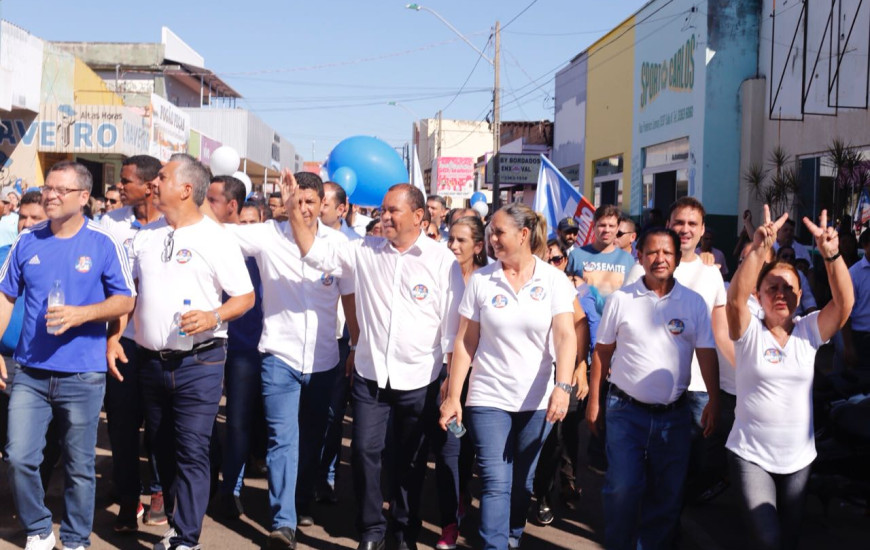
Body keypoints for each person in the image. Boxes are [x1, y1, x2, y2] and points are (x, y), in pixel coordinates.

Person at [281, 172, 462, 550]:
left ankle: (403, 532)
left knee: (411, 463)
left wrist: (449, 381)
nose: (386, 217)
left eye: (394, 211)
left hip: (420, 379)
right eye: (383, 211)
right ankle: (371, 531)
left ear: (418, 217)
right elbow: (312, 251)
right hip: (370, 377)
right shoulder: (364, 251)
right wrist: (294, 206)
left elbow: (452, 327)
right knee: (364, 453)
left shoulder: (443, 261)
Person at [113, 154, 254, 550]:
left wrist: (213, 315)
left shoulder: (216, 238)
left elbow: (244, 297)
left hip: (200, 361)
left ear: (187, 189)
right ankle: (179, 521)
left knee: (191, 446)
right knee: (161, 448)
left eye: (162, 176)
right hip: (149, 363)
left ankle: (186, 537)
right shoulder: (146, 236)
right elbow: (130, 296)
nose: (154, 182)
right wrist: (114, 338)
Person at [1, 161, 136, 550]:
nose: (51, 195)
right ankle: (40, 529)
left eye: (61, 190)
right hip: (30, 371)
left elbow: (125, 299)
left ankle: (76, 539)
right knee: (20, 457)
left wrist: (83, 314)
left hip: (82, 374)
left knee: (79, 467)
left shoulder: (102, 242)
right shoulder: (27, 241)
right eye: (48, 188)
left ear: (82, 197)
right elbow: (6, 296)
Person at [216, 172, 353, 549]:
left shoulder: (336, 244)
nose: (305, 209)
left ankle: (301, 499)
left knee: (312, 438)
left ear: (323, 204)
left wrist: (354, 347)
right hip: (278, 356)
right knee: (282, 440)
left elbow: (350, 298)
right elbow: (217, 234)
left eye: (312, 202)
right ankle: (283, 522)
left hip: (324, 359)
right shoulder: (266, 235)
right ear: (288, 199)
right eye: (299, 201)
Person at [438, 203, 577, 550]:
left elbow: (565, 334)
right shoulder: (483, 280)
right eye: (490, 233)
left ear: (524, 235)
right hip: (488, 397)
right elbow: (466, 340)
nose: (492, 239)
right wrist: (454, 396)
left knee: (521, 483)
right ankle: (495, 545)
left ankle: (512, 534)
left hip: (538, 401)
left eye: (499, 232)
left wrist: (563, 385)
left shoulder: (553, 279)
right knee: (495, 481)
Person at [725, 207, 853, 550]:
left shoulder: (809, 330)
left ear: (800, 296)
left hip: (799, 460)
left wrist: (832, 255)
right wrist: (758, 247)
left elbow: (843, 304)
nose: (781, 293)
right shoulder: (748, 331)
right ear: (759, 294)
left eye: (790, 288)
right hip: (750, 456)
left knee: (789, 540)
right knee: (768, 540)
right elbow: (735, 299)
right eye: (772, 287)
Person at [587, 227, 718, 550]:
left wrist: (715, 399)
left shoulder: (694, 303)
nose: (660, 259)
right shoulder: (621, 300)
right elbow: (602, 353)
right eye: (653, 253)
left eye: (667, 253)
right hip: (625, 412)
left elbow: (706, 353)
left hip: (674, 417)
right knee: (623, 488)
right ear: (640, 256)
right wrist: (594, 402)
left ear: (676, 258)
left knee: (667, 494)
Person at [624, 198, 730, 502]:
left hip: (696, 388)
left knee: (687, 464)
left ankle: (668, 524)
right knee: (651, 464)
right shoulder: (641, 269)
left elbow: (719, 333)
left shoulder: (712, 274)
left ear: (703, 231)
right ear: (667, 226)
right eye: (678, 223)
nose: (685, 229)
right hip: (648, 387)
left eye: (692, 224)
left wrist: (732, 380)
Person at [100, 155, 167, 531]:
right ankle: (128, 501)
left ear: (148, 185)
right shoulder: (111, 222)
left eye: (126, 181)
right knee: (122, 428)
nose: (119, 187)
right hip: (121, 342)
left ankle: (158, 492)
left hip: (159, 345)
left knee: (159, 429)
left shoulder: (171, 224)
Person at [206, 176, 266, 521]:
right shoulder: (202, 239)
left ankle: (232, 489)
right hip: (207, 343)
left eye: (251, 225)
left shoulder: (260, 250)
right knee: (204, 422)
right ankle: (210, 483)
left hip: (246, 348)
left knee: (239, 422)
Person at [434, 215, 487, 549]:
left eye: (461, 241)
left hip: (479, 377)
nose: (453, 246)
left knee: (467, 449)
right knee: (446, 451)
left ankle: (462, 492)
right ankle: (448, 523)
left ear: (478, 246)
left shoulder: (488, 279)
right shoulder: (439, 271)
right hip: (439, 373)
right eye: (450, 239)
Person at [532, 238, 591, 526]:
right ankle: (537, 493)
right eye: (546, 258)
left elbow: (580, 324)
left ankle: (557, 489)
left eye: (556, 259)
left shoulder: (561, 284)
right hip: (531, 374)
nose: (551, 264)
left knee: (562, 437)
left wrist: (580, 366)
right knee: (544, 441)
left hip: (563, 372)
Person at [317, 181, 361, 503]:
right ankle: (307, 480)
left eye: (323, 203)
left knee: (333, 416)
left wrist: (357, 345)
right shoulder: (302, 241)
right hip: (309, 342)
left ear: (341, 209)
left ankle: (327, 478)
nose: (315, 209)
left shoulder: (359, 246)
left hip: (343, 343)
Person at [565, 205, 635, 310]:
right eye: (602, 225)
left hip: (616, 323)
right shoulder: (576, 256)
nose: (606, 230)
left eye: (611, 226)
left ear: (617, 229)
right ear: (594, 227)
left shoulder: (628, 259)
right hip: (584, 322)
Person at [844, 229, 870, 370]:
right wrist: (848, 346)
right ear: (866, 246)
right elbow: (845, 312)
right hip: (862, 339)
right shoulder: (854, 273)